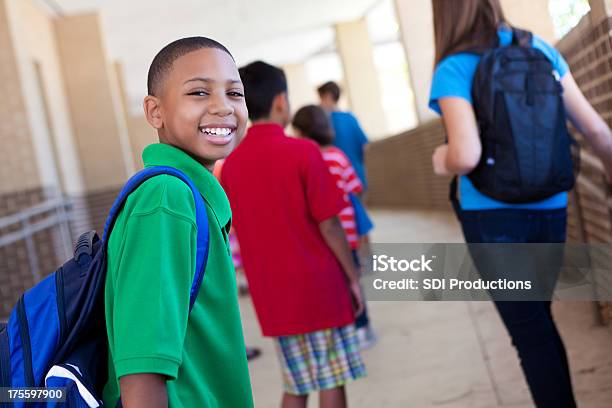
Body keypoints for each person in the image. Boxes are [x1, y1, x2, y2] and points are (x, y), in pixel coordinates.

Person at [429, 1, 612, 407]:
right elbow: (597, 130)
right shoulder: (541, 50)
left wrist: (441, 159)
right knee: (538, 321)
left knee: (531, 332)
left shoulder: (454, 68)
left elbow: (465, 155)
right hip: (551, 207)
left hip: (493, 218)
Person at [103, 37, 253, 407]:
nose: (223, 106)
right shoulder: (166, 199)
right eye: (199, 92)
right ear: (155, 112)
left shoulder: (190, 195)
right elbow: (141, 371)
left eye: (235, 93)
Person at [221, 61, 366, 408]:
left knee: (297, 383)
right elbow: (329, 224)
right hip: (321, 287)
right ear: (281, 101)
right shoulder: (303, 152)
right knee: (332, 378)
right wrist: (353, 277)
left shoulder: (232, 166)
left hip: (273, 297)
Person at [292, 104, 377, 349]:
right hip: (347, 235)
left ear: (300, 132)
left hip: (323, 238)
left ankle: (345, 329)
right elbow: (355, 189)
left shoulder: (305, 158)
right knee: (354, 280)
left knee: (337, 284)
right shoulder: (338, 156)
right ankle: (363, 327)